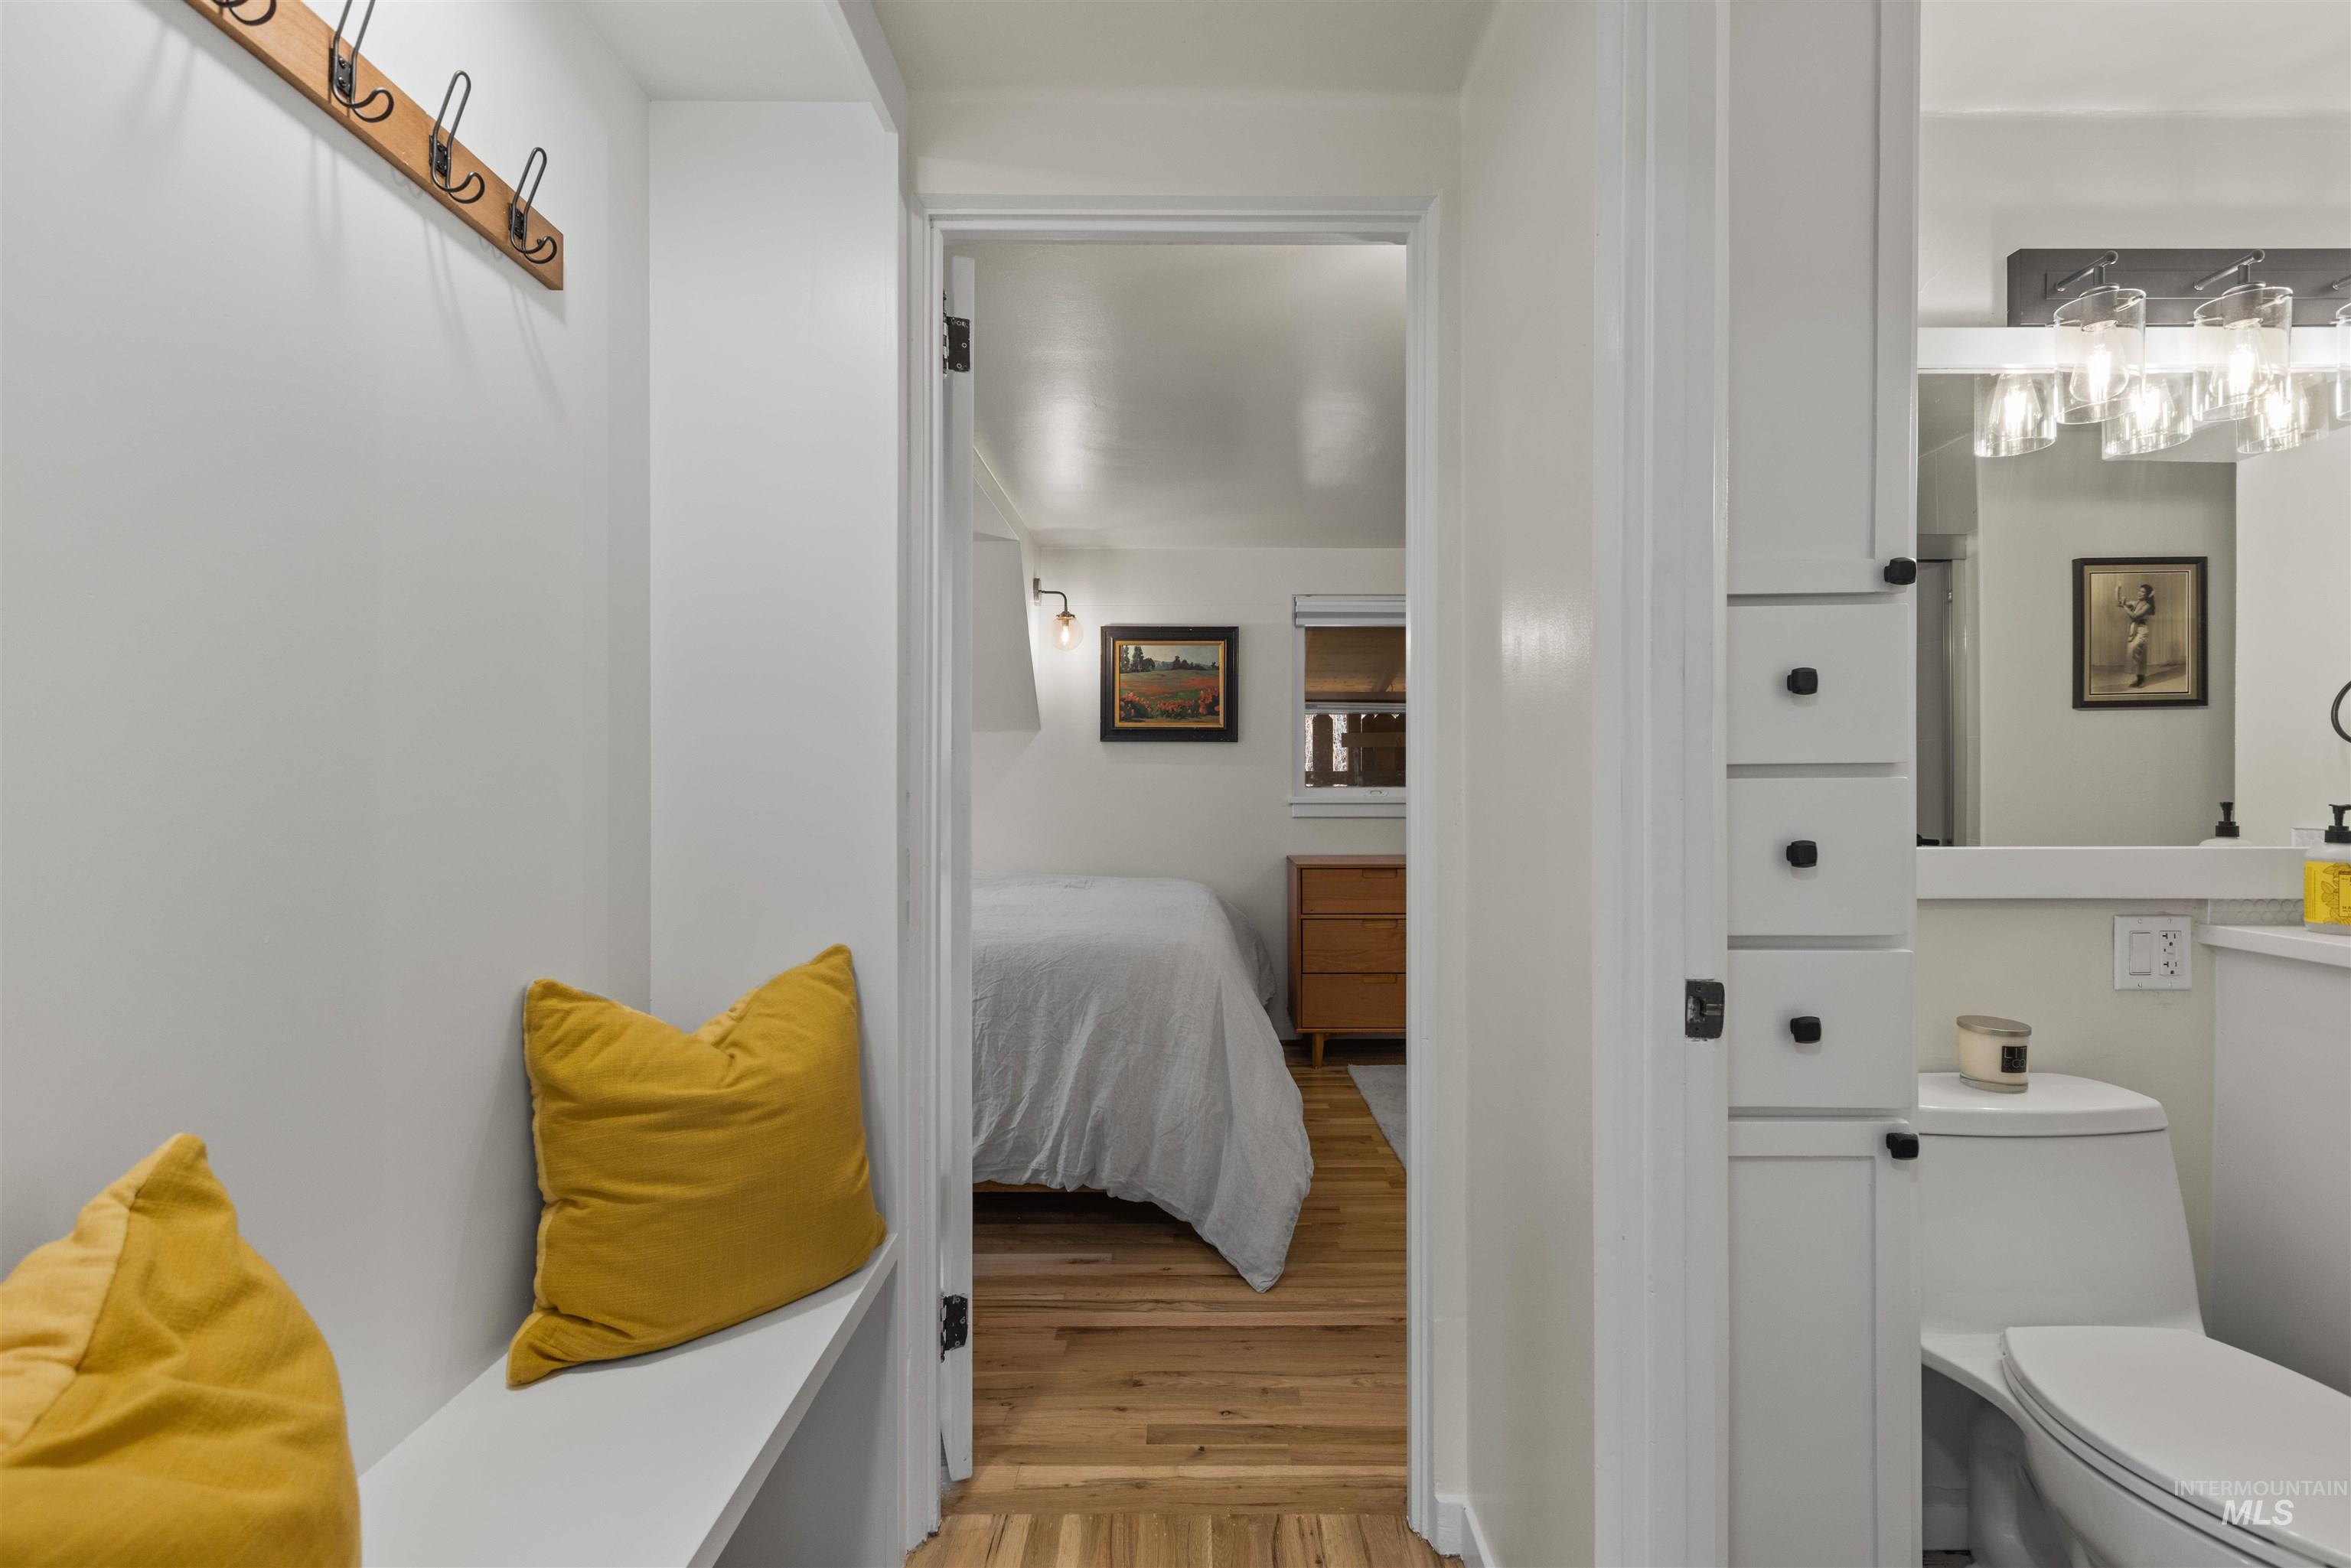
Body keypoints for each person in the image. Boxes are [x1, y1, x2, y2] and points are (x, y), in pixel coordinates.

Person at [2118, 582, 2156, 688]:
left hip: (2142, 631)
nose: (2139, 593)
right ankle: (2139, 678)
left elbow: (2135, 617)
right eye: (2139, 590)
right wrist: (2118, 591)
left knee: (2140, 654)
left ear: (2147, 595)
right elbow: (2119, 603)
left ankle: (2142, 679)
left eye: (2142, 592)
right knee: (2133, 653)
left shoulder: (2148, 606)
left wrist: (2125, 606)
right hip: (2133, 630)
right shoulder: (2135, 603)